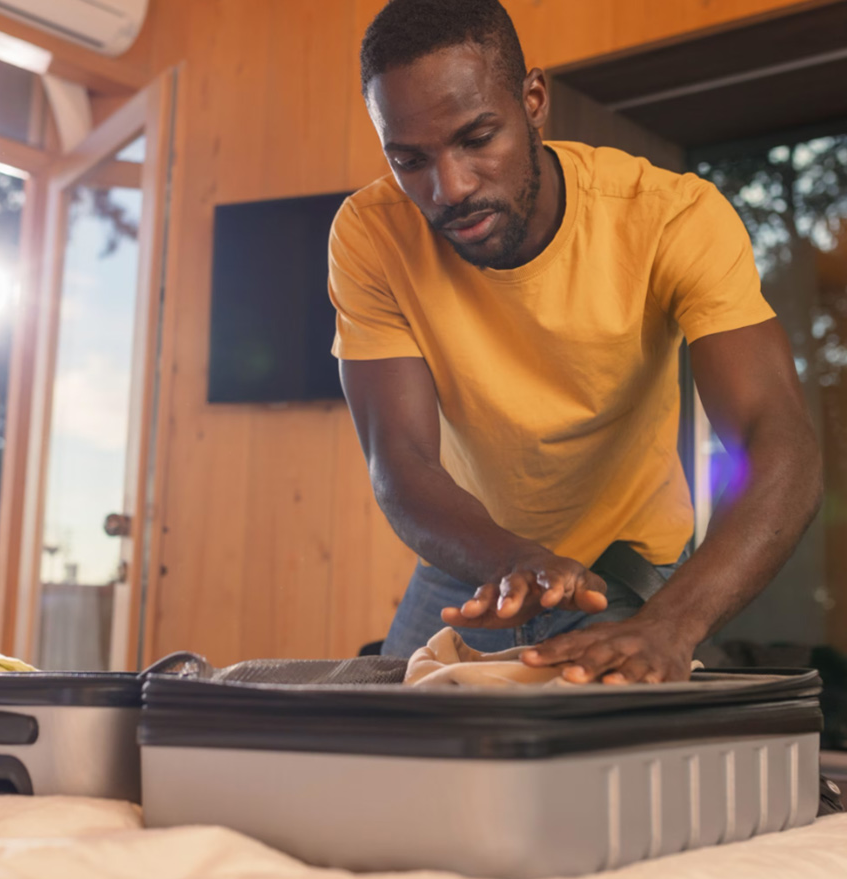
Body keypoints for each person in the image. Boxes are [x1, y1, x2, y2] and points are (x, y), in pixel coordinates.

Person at [329, 0, 822, 684]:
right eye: (410, 159)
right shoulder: (370, 235)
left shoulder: (673, 218)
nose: (450, 187)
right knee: (382, 758)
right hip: (474, 561)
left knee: (590, 775)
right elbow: (402, 463)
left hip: (623, 569)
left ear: (533, 100)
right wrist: (508, 559)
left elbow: (780, 445)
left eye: (477, 138)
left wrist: (672, 623)